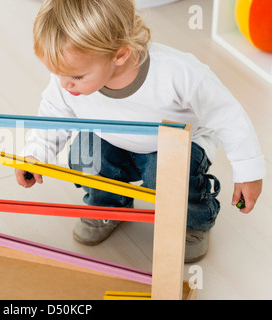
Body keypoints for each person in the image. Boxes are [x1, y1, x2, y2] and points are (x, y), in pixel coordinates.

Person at [14, 0, 265, 262]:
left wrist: (248, 170)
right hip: (113, 139)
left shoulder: (177, 73)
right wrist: (36, 153)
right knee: (85, 153)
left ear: (120, 55)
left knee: (164, 171)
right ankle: (109, 206)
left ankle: (193, 220)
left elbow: (227, 115)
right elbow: (54, 114)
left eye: (76, 77)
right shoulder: (68, 79)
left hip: (175, 145)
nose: (64, 84)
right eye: (56, 73)